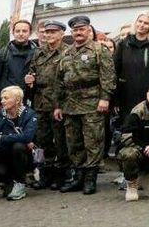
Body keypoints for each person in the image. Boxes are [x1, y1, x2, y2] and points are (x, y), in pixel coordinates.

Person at [57, 14, 116, 194]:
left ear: (89, 31)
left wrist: (105, 98)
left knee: (93, 141)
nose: (78, 33)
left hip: (92, 102)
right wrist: (58, 104)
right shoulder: (66, 53)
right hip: (70, 104)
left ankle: (90, 179)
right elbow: (59, 80)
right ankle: (78, 177)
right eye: (75, 30)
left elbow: (108, 76)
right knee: (74, 143)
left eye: (82, 29)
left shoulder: (99, 50)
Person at [25, 19, 70, 190]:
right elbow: (32, 71)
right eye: (47, 32)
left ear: (61, 34)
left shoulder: (68, 52)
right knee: (42, 142)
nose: (49, 35)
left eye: (53, 32)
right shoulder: (38, 52)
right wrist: (30, 79)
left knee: (61, 141)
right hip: (41, 102)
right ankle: (45, 174)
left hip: (60, 103)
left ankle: (62, 176)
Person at [0, 85, 37, 201]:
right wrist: (19, 139)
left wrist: (3, 138)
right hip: (3, 156)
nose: (2, 101)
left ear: (18, 100)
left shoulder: (29, 114)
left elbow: (28, 136)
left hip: (23, 156)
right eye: (1, 98)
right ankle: (10, 180)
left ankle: (20, 182)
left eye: (6, 98)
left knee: (18, 147)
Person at [114, 12, 149, 124]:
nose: (142, 25)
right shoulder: (124, 44)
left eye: (146, 23)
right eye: (140, 21)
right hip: (126, 96)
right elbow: (115, 71)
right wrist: (115, 99)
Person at [0, 19, 37, 114]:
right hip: (6, 101)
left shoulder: (38, 53)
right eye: (18, 31)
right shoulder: (3, 53)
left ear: (30, 33)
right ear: (13, 32)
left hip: (29, 101)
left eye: (24, 31)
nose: (21, 34)